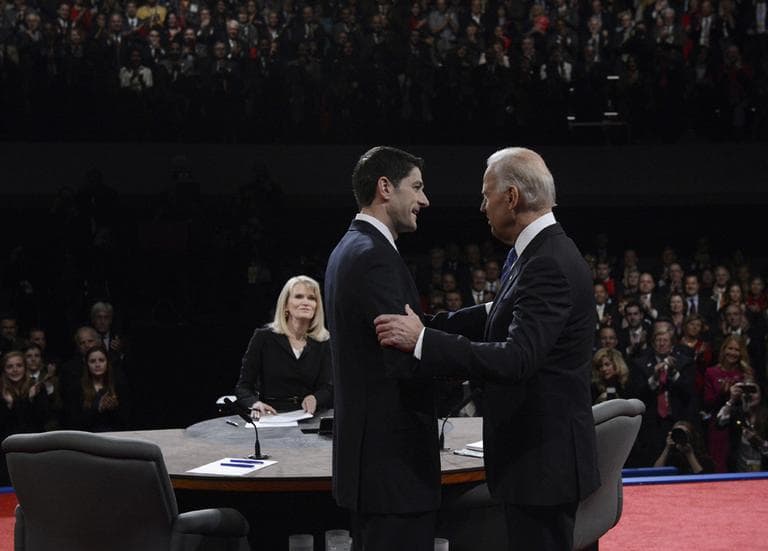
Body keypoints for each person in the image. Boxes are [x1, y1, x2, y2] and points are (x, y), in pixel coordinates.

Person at [374, 147, 599, 551]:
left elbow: (517, 358)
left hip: (541, 465)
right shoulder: (540, 251)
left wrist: (423, 341)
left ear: (511, 197)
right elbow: (500, 311)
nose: (481, 206)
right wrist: (433, 324)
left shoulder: (546, 261)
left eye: (486, 195)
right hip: (541, 460)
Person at [324, 146, 442, 551]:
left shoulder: (350, 248)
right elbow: (406, 357)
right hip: (394, 471)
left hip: (374, 468)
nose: (424, 200)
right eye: (417, 187)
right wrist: (477, 362)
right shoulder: (375, 257)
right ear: (385, 187)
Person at [235, 275, 332, 417]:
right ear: (286, 304)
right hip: (272, 415)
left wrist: (316, 398)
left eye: (311, 298)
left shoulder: (324, 341)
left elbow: (328, 387)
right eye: (299, 296)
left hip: (309, 417)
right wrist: (255, 403)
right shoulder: (264, 338)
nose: (306, 302)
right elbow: (243, 387)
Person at [703, 336, 753, 471]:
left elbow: (753, 403)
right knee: (719, 465)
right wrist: (724, 393)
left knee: (740, 464)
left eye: (737, 350)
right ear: (723, 350)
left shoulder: (745, 374)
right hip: (718, 427)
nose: (733, 352)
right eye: (730, 348)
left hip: (741, 425)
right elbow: (707, 402)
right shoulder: (711, 372)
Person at [64, 346, 130, 432]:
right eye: (92, 361)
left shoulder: (118, 385)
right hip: (87, 437)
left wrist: (113, 409)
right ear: (87, 364)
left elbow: (126, 420)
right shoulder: (77, 387)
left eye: (101, 360)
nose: (97, 365)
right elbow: (74, 422)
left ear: (107, 362)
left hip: (114, 436)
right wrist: (97, 408)